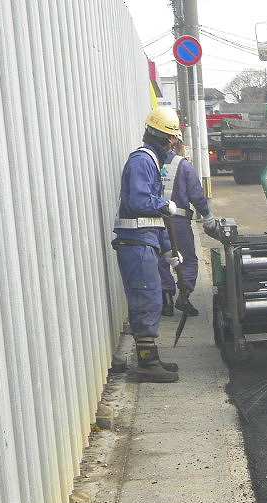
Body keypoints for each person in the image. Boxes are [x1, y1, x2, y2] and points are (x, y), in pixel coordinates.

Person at [112, 105, 182, 382]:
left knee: (151, 297)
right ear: (165, 138)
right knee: (146, 298)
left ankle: (150, 357)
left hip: (144, 241)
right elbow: (139, 201)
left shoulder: (151, 162)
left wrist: (168, 250)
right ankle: (146, 364)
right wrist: (164, 204)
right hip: (136, 243)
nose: (174, 146)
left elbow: (154, 219)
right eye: (173, 139)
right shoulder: (142, 161)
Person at [157, 134, 212, 317]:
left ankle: (166, 301)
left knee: (161, 260)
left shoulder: (151, 162)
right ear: (177, 142)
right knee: (187, 259)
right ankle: (184, 296)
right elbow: (196, 195)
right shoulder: (183, 165)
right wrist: (207, 215)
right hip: (178, 222)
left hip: (155, 221)